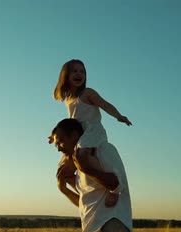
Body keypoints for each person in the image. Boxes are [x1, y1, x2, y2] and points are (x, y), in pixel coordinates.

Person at [50, 59, 132, 207]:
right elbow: (71, 120)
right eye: (75, 71)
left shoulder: (88, 93)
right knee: (63, 168)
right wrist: (55, 134)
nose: (79, 74)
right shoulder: (68, 99)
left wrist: (118, 116)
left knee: (82, 155)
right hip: (79, 132)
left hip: (93, 131)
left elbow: (105, 104)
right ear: (66, 76)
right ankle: (84, 192)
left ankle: (113, 189)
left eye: (82, 71)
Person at [51, 118, 132, 232]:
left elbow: (116, 184)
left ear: (75, 135)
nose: (58, 148)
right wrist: (65, 188)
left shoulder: (103, 149)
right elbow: (86, 204)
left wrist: (87, 169)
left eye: (61, 141)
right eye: (56, 144)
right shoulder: (79, 167)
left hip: (110, 224)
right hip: (90, 230)